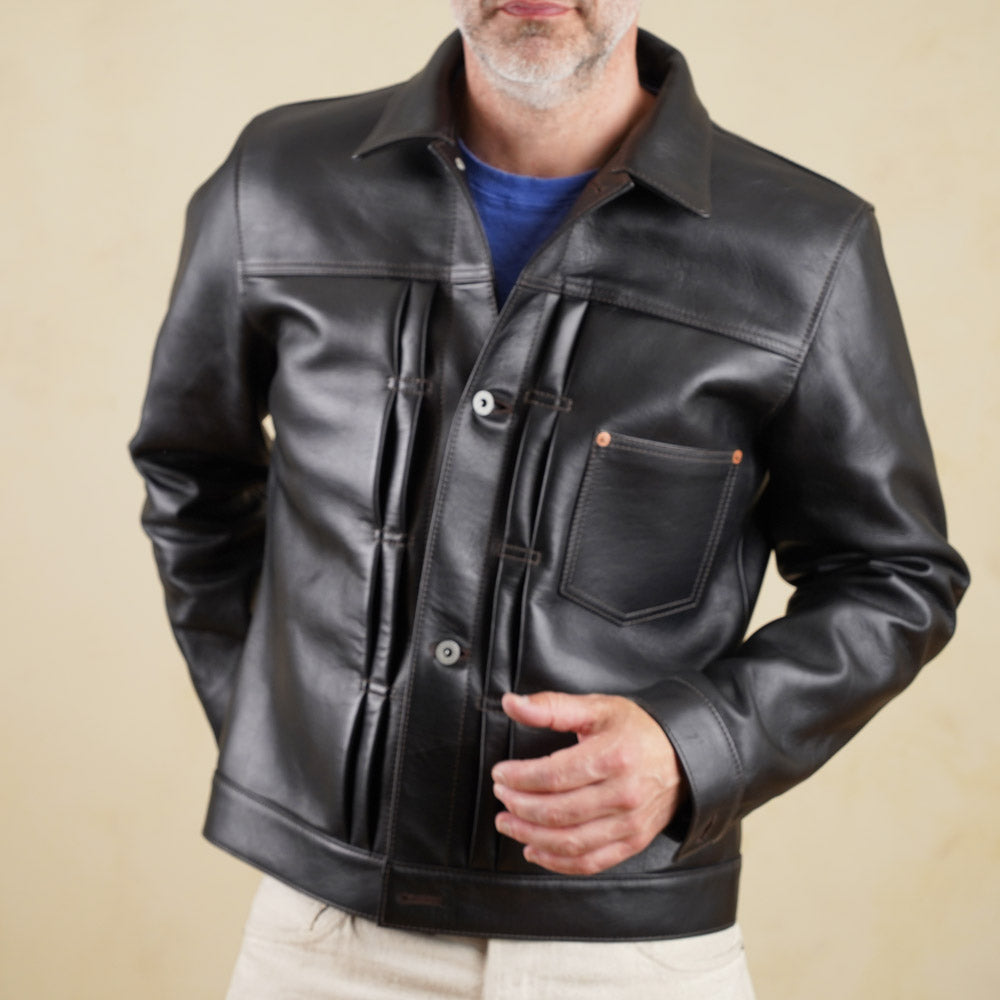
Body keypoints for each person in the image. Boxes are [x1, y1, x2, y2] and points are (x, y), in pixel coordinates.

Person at [130, 1, 968, 996]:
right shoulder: (277, 178)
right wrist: (287, 735)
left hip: (628, 954)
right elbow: (191, 472)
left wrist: (694, 745)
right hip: (323, 943)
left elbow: (893, 574)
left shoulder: (804, 245)